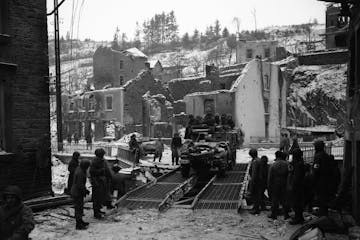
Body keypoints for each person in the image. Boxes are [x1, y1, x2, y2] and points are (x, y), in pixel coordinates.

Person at [89, 148, 112, 219]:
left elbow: (106, 170)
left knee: (100, 198)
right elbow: (92, 172)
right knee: (96, 198)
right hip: (97, 182)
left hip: (101, 182)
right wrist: (101, 171)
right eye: (102, 155)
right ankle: (96, 213)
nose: (103, 156)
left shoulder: (102, 160)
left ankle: (98, 210)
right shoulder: (95, 161)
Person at [312, 140, 333, 216]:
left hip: (320, 180)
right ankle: (324, 211)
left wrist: (313, 180)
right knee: (324, 196)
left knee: (321, 197)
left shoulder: (318, 156)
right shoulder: (326, 155)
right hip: (326, 180)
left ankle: (322, 213)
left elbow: (316, 169)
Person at [268, 151, 290, 220]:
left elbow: (270, 177)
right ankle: (286, 215)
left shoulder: (273, 165)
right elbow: (290, 175)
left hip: (275, 185)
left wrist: (269, 187)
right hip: (284, 184)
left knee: (275, 200)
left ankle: (274, 215)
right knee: (285, 200)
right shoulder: (287, 164)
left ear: (276, 156)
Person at [71, 160, 91, 230]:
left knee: (80, 208)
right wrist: (85, 191)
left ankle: (80, 221)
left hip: (77, 191)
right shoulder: (80, 173)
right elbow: (80, 185)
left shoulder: (79, 169)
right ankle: (78, 225)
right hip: (77, 193)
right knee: (78, 208)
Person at [287, 148, 305, 225]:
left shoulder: (298, 164)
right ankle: (299, 217)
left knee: (296, 203)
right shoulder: (299, 163)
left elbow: (296, 177)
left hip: (297, 187)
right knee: (297, 203)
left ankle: (298, 218)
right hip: (298, 186)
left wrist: (292, 186)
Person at [248, 149, 267, 215]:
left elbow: (254, 173)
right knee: (259, 195)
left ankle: (256, 209)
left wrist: (251, 184)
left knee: (255, 196)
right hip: (260, 180)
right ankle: (261, 207)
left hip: (256, 181)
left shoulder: (255, 161)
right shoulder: (258, 159)